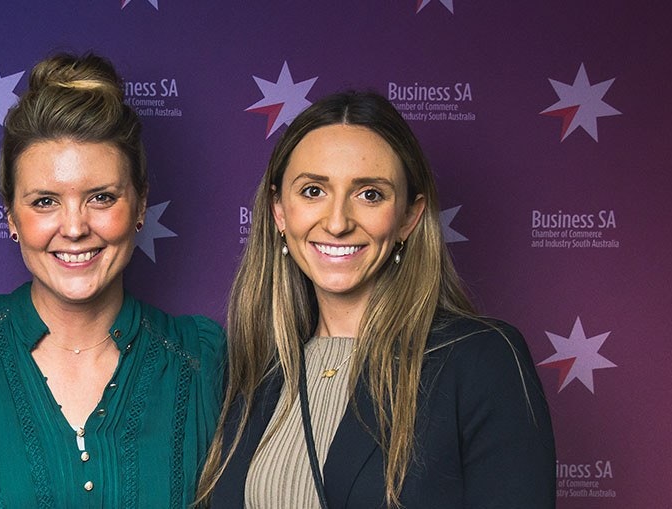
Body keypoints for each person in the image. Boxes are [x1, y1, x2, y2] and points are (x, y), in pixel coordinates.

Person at [0, 52, 225, 508]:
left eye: (101, 198)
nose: (74, 228)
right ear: (11, 215)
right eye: (45, 201)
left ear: (140, 205)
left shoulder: (199, 360)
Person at [199, 91, 555, 508]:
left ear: (409, 216)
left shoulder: (481, 359)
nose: (337, 222)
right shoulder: (250, 371)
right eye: (313, 191)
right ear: (279, 211)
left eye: (369, 194)